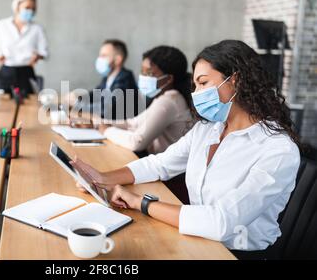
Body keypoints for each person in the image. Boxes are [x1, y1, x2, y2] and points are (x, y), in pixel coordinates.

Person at [70, 40, 300, 253]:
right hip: (197, 239)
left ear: (235, 81)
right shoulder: (208, 129)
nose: (196, 93)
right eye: (195, 85)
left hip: (235, 253)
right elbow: (159, 164)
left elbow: (222, 221)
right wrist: (103, 177)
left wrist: (138, 201)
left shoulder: (278, 150)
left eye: (203, 83)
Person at [97, 46, 193, 155]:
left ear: (169, 79)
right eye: (142, 72)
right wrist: (99, 124)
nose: (143, 77)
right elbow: (133, 124)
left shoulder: (169, 102)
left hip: (167, 170)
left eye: (149, 73)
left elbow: (137, 142)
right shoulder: (164, 97)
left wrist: (106, 130)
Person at [0, 0, 48, 95]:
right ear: (17, 7)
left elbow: (45, 52)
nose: (31, 11)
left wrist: (38, 56)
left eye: (33, 9)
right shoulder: (2, 25)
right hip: (6, 72)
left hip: (27, 73)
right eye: (27, 8)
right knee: (4, 107)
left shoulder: (37, 29)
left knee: (29, 107)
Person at [67, 39, 138, 120]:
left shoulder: (125, 79)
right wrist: (77, 97)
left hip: (121, 129)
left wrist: (77, 104)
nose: (99, 59)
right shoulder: (108, 78)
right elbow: (94, 95)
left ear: (118, 60)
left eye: (104, 56)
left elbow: (106, 109)